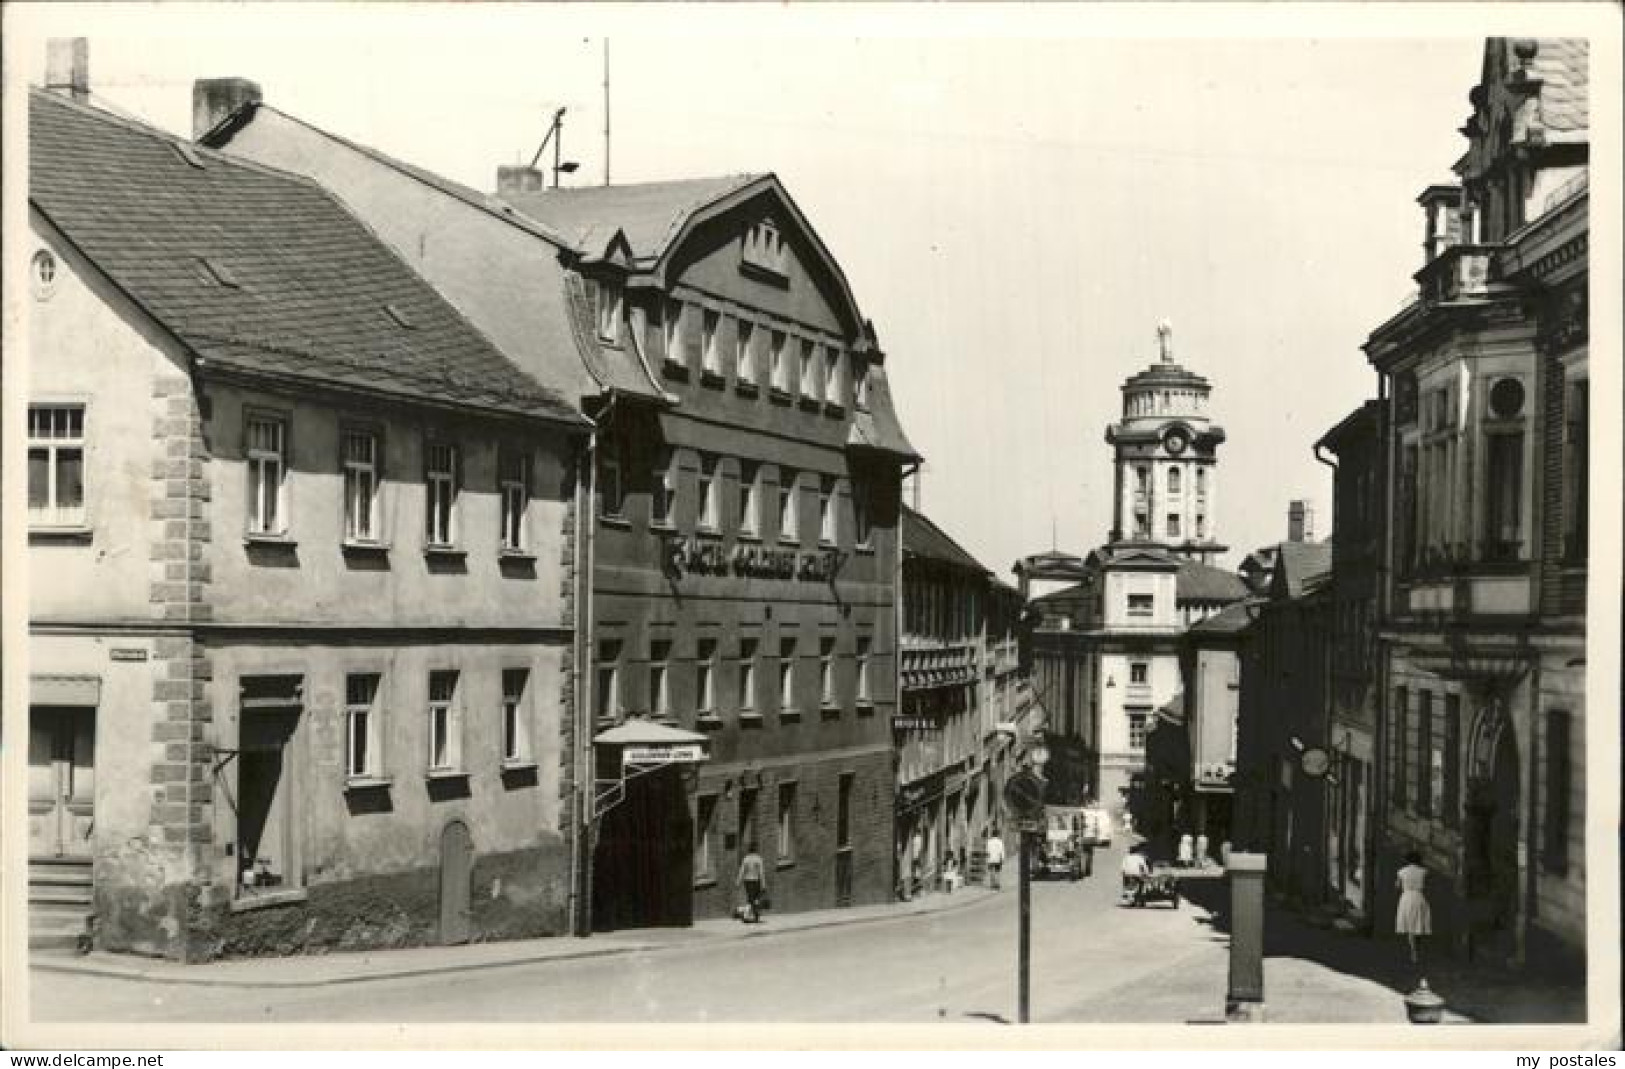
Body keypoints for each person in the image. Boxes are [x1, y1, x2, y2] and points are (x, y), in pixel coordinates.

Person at [1395, 850, 1432, 963]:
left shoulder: (1401, 872)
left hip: (1406, 898)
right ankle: (1416, 950)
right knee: (1418, 925)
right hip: (1418, 897)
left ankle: (1414, 952)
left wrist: (1400, 883)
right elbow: (1427, 886)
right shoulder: (1424, 871)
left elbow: (1397, 886)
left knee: (1410, 926)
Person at [737, 843, 767, 923]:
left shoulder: (746, 859)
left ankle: (751, 914)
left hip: (747, 881)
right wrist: (763, 884)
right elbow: (761, 872)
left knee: (750, 898)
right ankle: (752, 914)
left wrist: (738, 880)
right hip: (756, 881)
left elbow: (742, 870)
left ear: (749, 850)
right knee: (756, 898)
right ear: (756, 850)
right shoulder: (758, 859)